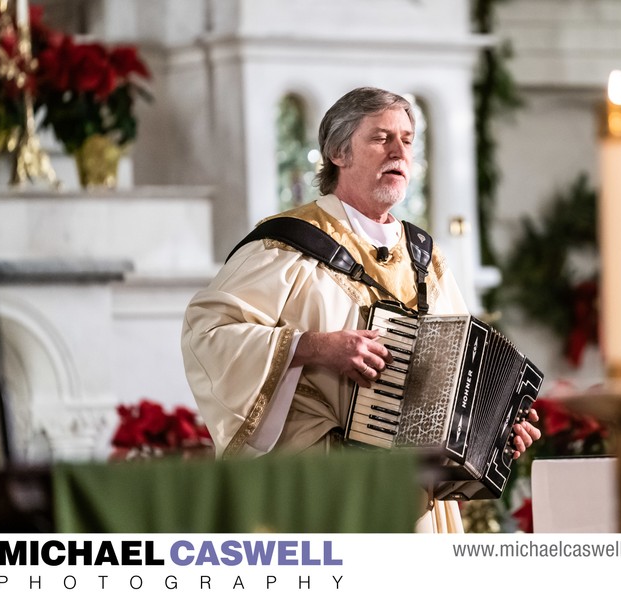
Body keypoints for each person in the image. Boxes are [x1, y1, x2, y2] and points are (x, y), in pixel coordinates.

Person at [181, 86, 541, 533]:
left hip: (414, 498)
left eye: (407, 140)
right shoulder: (286, 244)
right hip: (321, 484)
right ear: (337, 152)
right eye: (381, 138)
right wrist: (309, 347)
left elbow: (463, 380)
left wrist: (497, 433)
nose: (399, 151)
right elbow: (207, 333)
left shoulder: (426, 259)